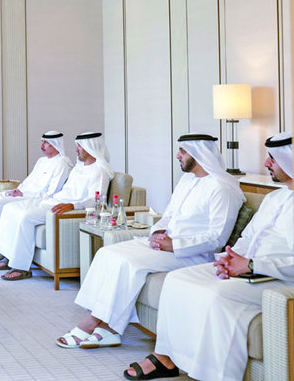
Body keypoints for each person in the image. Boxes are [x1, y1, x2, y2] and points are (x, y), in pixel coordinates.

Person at [123, 132, 293, 380]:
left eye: (273, 158)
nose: (266, 163)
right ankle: (165, 357)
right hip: (250, 269)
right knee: (177, 280)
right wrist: (231, 258)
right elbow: (249, 237)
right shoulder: (275, 197)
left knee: (214, 294)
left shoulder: (222, 187)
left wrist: (251, 264)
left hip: (277, 277)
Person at [57, 133, 245, 350]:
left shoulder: (222, 188)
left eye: (182, 151)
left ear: (198, 153)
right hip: (164, 244)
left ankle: (97, 323)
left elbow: (217, 237)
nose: (178, 155)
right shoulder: (187, 180)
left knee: (129, 263)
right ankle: (106, 327)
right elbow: (168, 215)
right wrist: (159, 232)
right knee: (107, 253)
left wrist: (173, 245)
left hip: (192, 254)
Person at [0, 132, 114, 281]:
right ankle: (8, 256)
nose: (76, 149)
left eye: (79, 146)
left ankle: (21, 268)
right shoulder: (78, 168)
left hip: (64, 208)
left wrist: (73, 205)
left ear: (90, 147)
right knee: (10, 209)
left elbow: (96, 199)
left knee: (26, 218)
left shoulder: (99, 171)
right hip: (53, 201)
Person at [0, 131, 73, 256]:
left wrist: (24, 194)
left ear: (55, 144)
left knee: (0, 204)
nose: (42, 145)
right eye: (42, 142)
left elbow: (51, 192)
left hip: (35, 198)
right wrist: (18, 190)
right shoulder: (41, 161)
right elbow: (29, 181)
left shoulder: (62, 164)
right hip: (24, 193)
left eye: (46, 142)